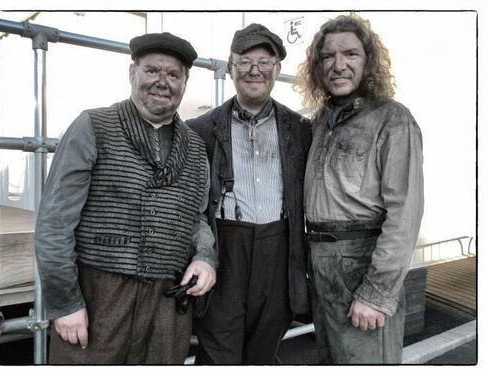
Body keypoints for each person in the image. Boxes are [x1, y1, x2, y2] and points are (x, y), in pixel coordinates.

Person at [35, 32, 217, 364]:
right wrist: (66, 303)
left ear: (185, 82)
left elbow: (198, 218)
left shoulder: (195, 147)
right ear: (132, 73)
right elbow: (54, 223)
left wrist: (205, 257)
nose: (162, 82)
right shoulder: (92, 126)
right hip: (98, 298)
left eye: (173, 74)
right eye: (152, 71)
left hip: (166, 305)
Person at [296, 14, 424, 364]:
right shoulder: (321, 121)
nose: (338, 65)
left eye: (350, 54)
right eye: (327, 57)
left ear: (368, 62)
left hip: (363, 264)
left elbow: (405, 214)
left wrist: (376, 293)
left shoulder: (393, 119)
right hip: (320, 266)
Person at [187, 23, 311, 365]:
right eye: (244, 62)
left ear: (277, 70)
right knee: (218, 350)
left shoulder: (299, 130)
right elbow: (191, 204)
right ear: (230, 69)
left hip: (279, 248)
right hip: (224, 249)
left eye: (264, 62)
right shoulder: (200, 130)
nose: (254, 71)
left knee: (264, 348)